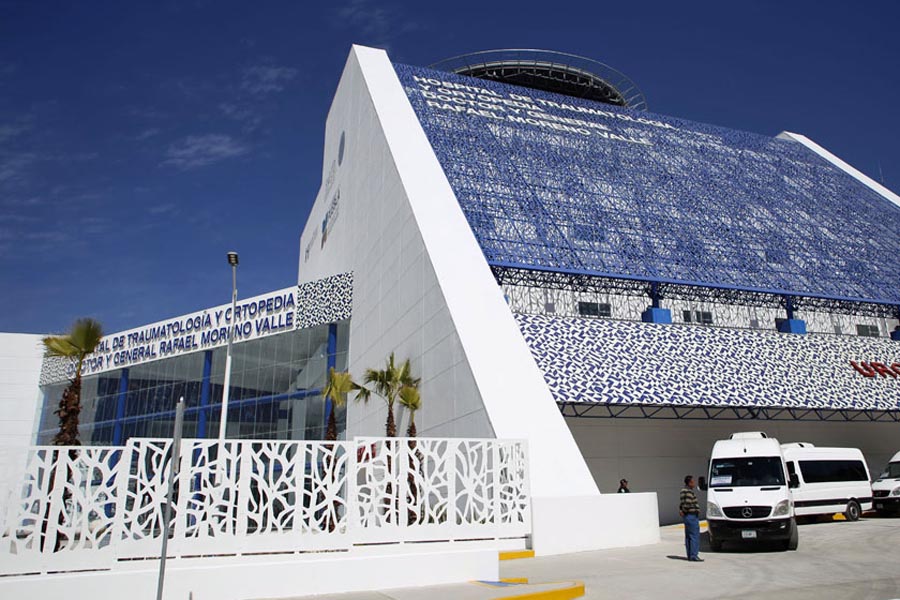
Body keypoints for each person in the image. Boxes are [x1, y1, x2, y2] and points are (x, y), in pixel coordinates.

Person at [679, 475, 702, 562]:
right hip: (691, 515)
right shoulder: (689, 492)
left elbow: (681, 503)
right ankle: (694, 555)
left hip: (687, 516)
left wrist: (681, 510)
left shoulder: (682, 491)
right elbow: (687, 504)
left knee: (688, 536)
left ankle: (689, 555)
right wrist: (684, 511)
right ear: (689, 483)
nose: (694, 484)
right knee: (694, 536)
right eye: (693, 482)